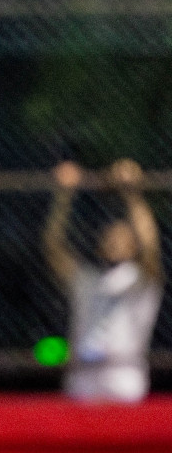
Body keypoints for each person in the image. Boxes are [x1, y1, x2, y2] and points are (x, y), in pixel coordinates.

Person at [45, 159, 163, 403]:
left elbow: (150, 246)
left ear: (133, 245)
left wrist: (132, 195)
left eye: (123, 235)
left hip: (124, 383)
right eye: (110, 235)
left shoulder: (141, 280)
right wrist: (64, 196)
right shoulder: (87, 279)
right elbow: (53, 246)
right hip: (83, 385)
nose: (114, 239)